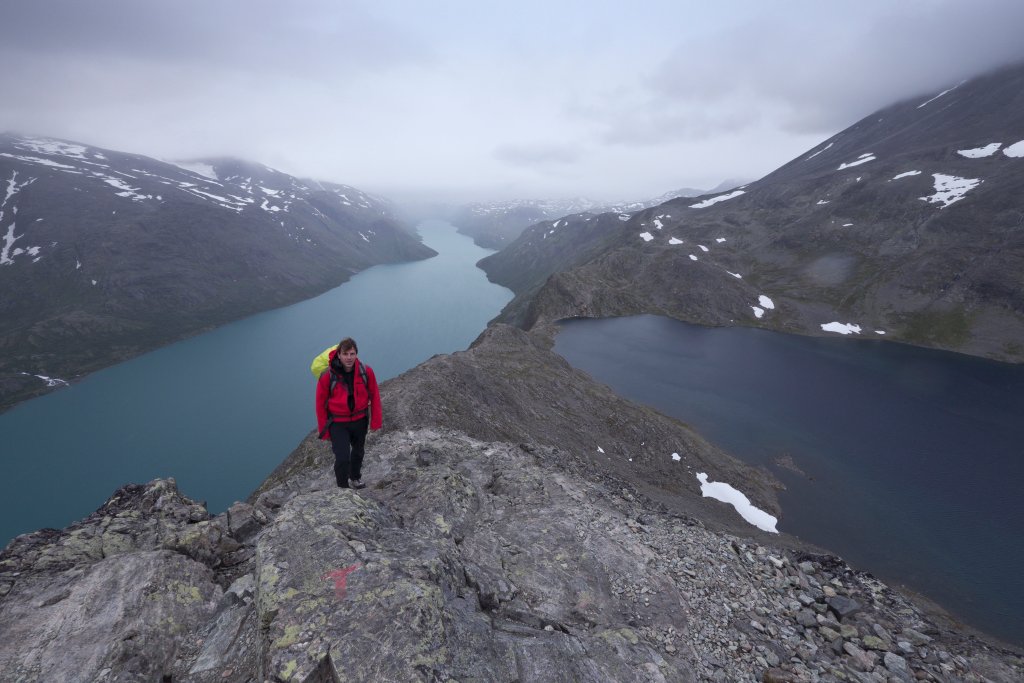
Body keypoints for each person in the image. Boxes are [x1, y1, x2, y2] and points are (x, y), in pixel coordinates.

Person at [315, 337, 382, 489]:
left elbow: (375, 395)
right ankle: (343, 488)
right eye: (345, 354)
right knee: (342, 458)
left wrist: (376, 421)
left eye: (352, 354)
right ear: (338, 355)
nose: (349, 358)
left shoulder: (366, 371)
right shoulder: (327, 376)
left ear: (356, 354)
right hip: (338, 423)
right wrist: (324, 431)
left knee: (358, 453)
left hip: (360, 419)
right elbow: (320, 405)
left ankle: (355, 477)